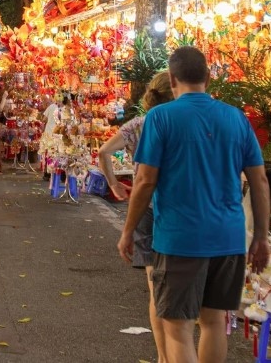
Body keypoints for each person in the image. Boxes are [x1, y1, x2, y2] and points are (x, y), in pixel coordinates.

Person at [118, 47, 269, 363]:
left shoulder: (161, 117)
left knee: (178, 328)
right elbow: (260, 181)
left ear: (172, 78)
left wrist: (129, 229)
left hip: (179, 239)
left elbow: (145, 180)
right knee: (214, 323)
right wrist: (261, 238)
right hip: (228, 239)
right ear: (208, 77)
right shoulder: (235, 118)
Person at [97, 72, 174, 363]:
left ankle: (163, 357)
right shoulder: (177, 124)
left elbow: (104, 152)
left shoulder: (138, 125)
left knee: (155, 288)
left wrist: (115, 184)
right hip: (175, 209)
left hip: (144, 209)